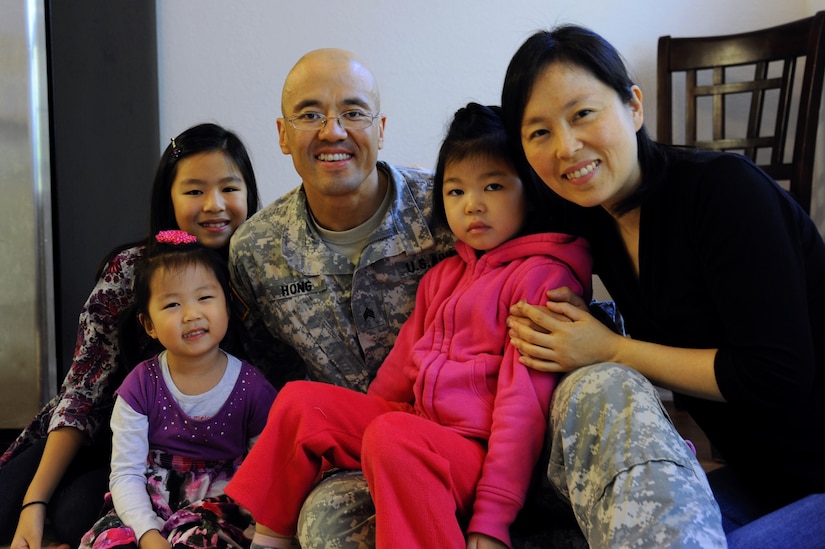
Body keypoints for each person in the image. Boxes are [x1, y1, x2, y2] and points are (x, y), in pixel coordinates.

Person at [501, 24, 825, 547]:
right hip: (760, 479)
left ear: (633, 106)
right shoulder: (590, 214)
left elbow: (776, 373)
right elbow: (480, 206)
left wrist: (611, 350)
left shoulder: (724, 191)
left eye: (583, 114)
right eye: (538, 132)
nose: (566, 147)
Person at [227, 102, 592, 549]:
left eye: (493, 186)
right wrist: (348, 433)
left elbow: (522, 411)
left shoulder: (540, 278)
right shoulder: (444, 275)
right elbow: (396, 378)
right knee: (303, 403)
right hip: (418, 426)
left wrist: (492, 520)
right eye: (456, 192)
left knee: (391, 437)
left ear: (529, 190)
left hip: (476, 453)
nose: (473, 206)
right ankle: (269, 538)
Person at [228, 48, 456, 545]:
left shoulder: (450, 211)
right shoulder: (256, 251)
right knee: (326, 528)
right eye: (310, 114)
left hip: (459, 434)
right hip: (348, 458)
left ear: (381, 127)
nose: (333, 131)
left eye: (353, 113)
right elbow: (271, 368)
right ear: (283, 135)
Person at [0, 122, 261, 549]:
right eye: (194, 191)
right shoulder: (131, 271)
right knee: (13, 504)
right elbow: (82, 392)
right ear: (169, 198)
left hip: (205, 460)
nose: (214, 205)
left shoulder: (256, 273)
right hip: (106, 438)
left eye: (229, 188)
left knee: (74, 515)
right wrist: (34, 502)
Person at [78, 231, 277, 549]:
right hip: (149, 500)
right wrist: (147, 532)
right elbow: (126, 473)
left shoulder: (252, 387)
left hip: (220, 507)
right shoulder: (141, 385)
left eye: (205, 297)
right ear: (149, 324)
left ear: (227, 305)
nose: (191, 314)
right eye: (172, 304)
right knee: (109, 542)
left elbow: (268, 471)